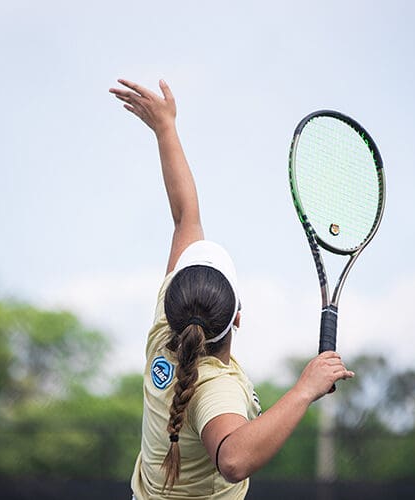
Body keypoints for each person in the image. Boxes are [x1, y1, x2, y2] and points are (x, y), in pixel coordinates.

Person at [109, 79, 355, 499]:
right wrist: (303, 391)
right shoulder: (214, 387)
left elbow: (186, 216)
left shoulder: (161, 336)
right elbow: (233, 460)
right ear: (237, 316)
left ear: (171, 304)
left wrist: (166, 128)